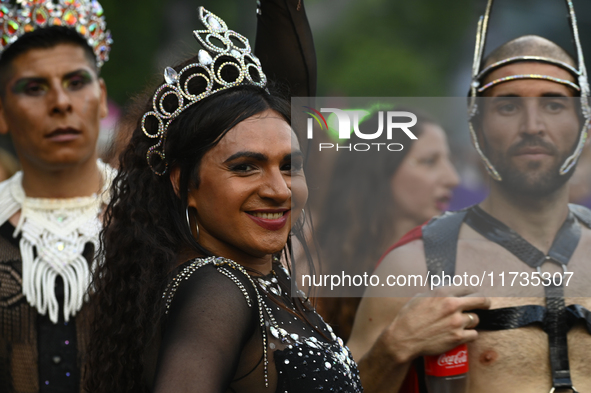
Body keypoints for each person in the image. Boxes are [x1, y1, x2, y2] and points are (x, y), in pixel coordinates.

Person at [85, 6, 363, 393]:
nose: (279, 189)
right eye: (246, 167)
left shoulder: (250, 272)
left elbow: (296, 90)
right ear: (185, 184)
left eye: (290, 165)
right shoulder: (220, 288)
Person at [348, 1, 591, 392]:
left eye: (553, 103)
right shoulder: (414, 266)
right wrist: (394, 348)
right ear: (477, 128)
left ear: (585, 125)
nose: (532, 126)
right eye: (508, 106)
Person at [0, 1, 113, 392]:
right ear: (2, 111)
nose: (61, 103)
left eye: (76, 82)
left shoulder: (157, 219)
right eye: (34, 88)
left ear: (101, 97)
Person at [315, 109, 460, 341]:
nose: (453, 178)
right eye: (430, 161)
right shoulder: (314, 267)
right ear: (380, 169)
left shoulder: (458, 259)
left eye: (449, 161)